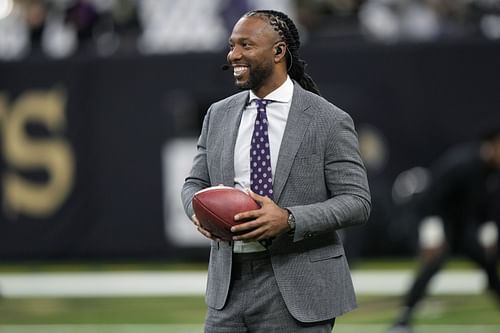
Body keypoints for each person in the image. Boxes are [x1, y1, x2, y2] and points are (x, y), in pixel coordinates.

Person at [181, 9, 371, 333]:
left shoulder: (329, 120)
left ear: (279, 51)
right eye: (231, 45)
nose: (233, 54)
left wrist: (288, 219)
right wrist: (199, 213)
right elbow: (194, 184)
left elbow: (357, 201)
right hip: (229, 285)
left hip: (298, 286)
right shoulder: (218, 115)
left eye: (245, 45)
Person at [389, 128, 500, 333]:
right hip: (439, 220)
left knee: (488, 261)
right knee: (432, 263)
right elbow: (433, 195)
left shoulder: (492, 171)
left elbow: (486, 205)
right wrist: (433, 232)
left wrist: (487, 231)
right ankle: (403, 319)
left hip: (463, 226)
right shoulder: (462, 163)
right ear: (492, 145)